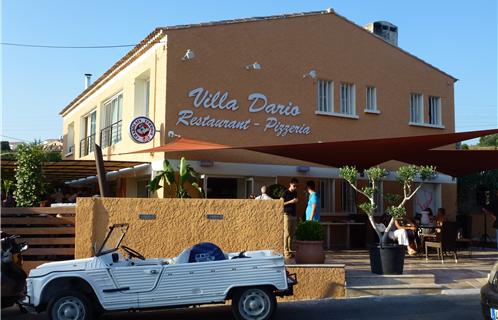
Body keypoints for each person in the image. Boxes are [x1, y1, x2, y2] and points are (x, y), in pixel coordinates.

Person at [280, 178, 299, 258]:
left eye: (297, 186)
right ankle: (285, 251)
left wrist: (296, 201)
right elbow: (280, 203)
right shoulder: (285, 193)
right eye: (294, 185)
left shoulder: (295, 193)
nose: (295, 187)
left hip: (293, 215)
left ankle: (290, 250)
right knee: (287, 233)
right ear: (290, 184)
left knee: (292, 234)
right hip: (287, 215)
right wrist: (290, 202)